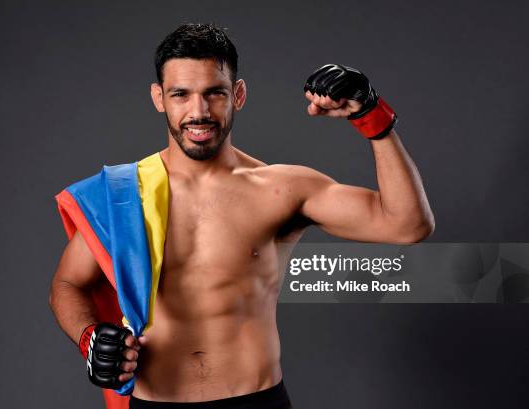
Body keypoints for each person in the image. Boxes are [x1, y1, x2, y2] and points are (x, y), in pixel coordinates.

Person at [49, 23, 434, 409]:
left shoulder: (280, 189)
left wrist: (371, 117)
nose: (198, 112)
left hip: (255, 400)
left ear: (238, 94)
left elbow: (407, 224)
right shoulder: (121, 196)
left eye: (214, 94)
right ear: (159, 98)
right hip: (155, 401)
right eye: (180, 95)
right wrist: (90, 337)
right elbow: (67, 284)